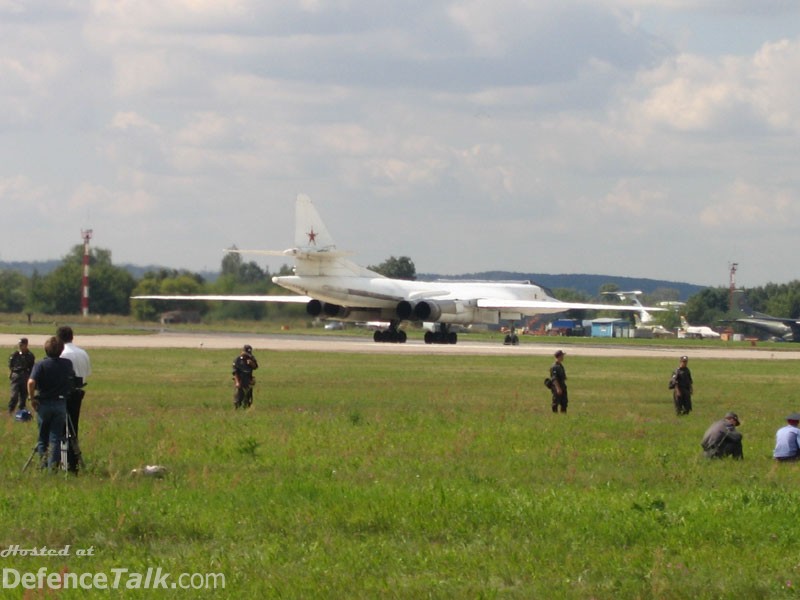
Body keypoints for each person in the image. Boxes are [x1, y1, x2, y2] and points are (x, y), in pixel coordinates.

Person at [27, 337, 74, 470]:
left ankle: (43, 464)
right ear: (61, 350)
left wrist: (32, 399)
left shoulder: (41, 365)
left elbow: (31, 382)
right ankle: (52, 467)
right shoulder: (67, 363)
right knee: (55, 437)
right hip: (60, 403)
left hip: (44, 403)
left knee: (43, 437)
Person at [57, 326, 91, 473]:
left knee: (62, 429)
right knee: (73, 427)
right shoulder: (82, 353)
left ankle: (64, 461)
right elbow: (87, 373)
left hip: (65, 394)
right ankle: (73, 460)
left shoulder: (63, 354)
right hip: (78, 394)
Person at [8, 337, 35, 415]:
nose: (20, 346)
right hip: (16, 376)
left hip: (25, 376)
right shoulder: (15, 355)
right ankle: (10, 411)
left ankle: (21, 413)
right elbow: (10, 365)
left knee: (23, 396)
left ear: (26, 345)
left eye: (22, 345)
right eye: (19, 345)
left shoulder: (30, 356)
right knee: (14, 396)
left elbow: (31, 367)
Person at [232, 344, 259, 409]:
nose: (247, 355)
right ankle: (237, 409)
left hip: (248, 380)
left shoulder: (251, 358)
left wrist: (252, 364)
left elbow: (256, 367)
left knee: (248, 397)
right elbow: (235, 372)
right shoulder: (237, 360)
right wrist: (237, 382)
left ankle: (246, 408)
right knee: (239, 397)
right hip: (240, 379)